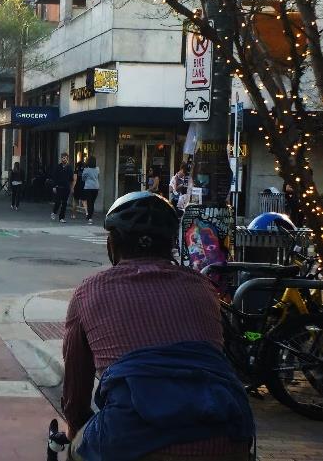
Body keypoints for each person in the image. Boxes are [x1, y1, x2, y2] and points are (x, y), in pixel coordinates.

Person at [62, 191, 254, 461]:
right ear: (171, 244)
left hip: (129, 436)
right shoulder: (203, 288)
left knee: (75, 449)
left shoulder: (89, 291)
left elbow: (75, 392)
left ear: (112, 244)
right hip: (227, 433)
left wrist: (75, 430)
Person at [50, 153, 75, 223]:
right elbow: (54, 177)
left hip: (66, 187)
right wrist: (54, 186)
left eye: (65, 158)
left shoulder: (69, 167)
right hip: (59, 187)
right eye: (62, 158)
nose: (64, 159)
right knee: (58, 202)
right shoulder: (58, 167)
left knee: (64, 203)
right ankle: (54, 212)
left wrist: (71, 187)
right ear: (61, 158)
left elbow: (71, 179)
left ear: (67, 159)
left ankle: (61, 218)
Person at [81, 156, 100, 225]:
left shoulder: (86, 169)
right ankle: (90, 217)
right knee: (92, 202)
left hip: (88, 187)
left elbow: (83, 178)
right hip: (96, 187)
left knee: (89, 202)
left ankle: (89, 217)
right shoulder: (98, 169)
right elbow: (98, 176)